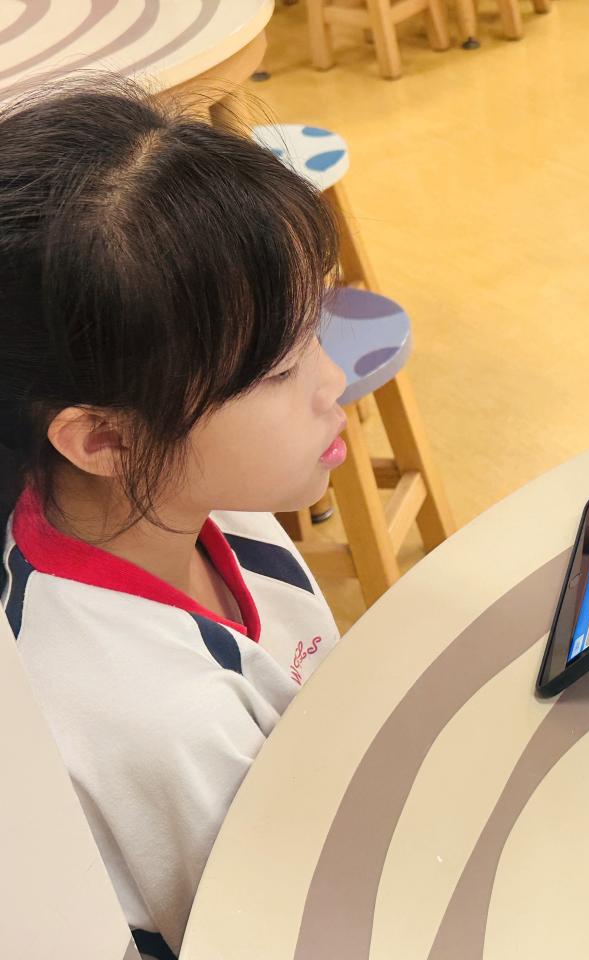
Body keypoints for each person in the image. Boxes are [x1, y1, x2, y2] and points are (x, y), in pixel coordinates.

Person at [0, 76, 349, 960]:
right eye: (280, 371)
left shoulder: (198, 502)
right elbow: (284, 933)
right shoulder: (151, 718)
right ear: (104, 439)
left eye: (314, 329)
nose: (334, 381)